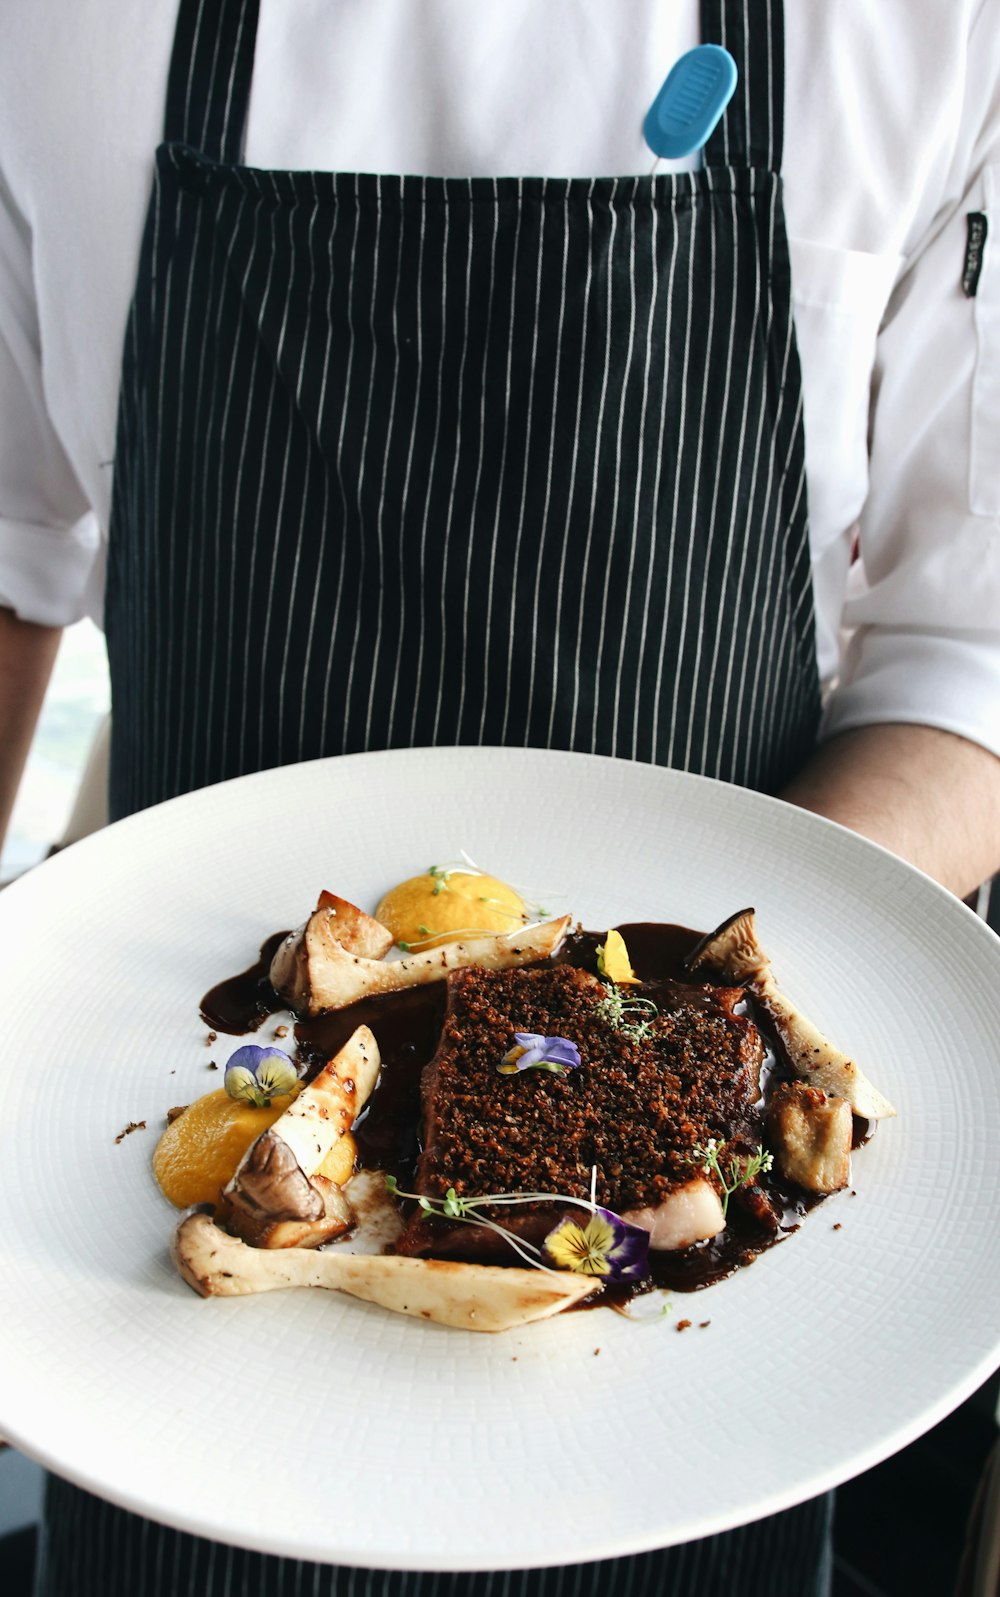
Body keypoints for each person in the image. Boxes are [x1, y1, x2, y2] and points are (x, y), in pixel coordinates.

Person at [2, 2, 999, 1593]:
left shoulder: (927, 30)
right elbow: (7, 554)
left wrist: (694, 1057)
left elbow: (970, 661)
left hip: (705, 1387)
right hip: (151, 1345)